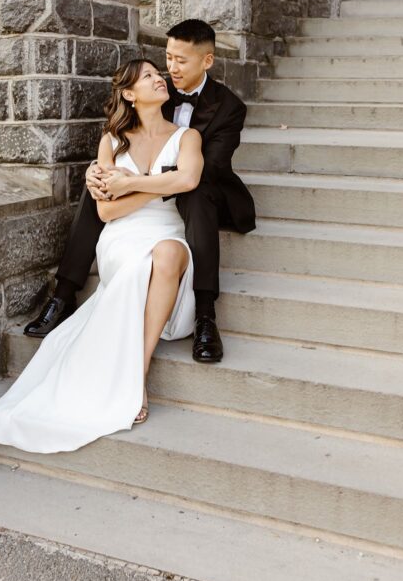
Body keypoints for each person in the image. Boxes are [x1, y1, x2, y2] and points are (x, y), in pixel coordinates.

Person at [0, 58, 203, 452]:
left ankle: (137, 371)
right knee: (137, 264)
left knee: (166, 255)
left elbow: (188, 179)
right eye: (148, 76)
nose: (159, 79)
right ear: (130, 94)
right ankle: (134, 382)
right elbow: (107, 211)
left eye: (158, 73)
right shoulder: (111, 142)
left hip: (167, 229)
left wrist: (131, 182)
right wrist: (158, 185)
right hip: (122, 236)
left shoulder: (187, 137)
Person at [25, 19, 256, 363]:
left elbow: (206, 170)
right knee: (97, 188)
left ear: (207, 61)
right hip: (159, 193)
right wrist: (100, 174)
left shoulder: (229, 107)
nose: (171, 69)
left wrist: (131, 182)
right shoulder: (157, 89)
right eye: (169, 58)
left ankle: (205, 313)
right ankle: (64, 294)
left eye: (182, 60)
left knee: (196, 191)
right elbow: (132, 139)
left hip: (205, 191)